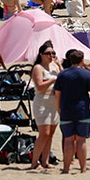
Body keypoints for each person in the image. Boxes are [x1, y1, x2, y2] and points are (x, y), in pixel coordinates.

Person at [54, 48, 90, 174]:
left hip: (67, 110)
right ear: (82, 60)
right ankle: (83, 168)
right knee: (81, 140)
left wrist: (59, 108)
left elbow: (57, 94)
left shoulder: (63, 74)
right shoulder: (86, 74)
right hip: (82, 111)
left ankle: (66, 168)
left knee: (68, 139)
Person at [28, 41, 60, 171]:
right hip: (42, 101)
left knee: (51, 133)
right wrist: (53, 79)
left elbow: (62, 78)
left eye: (53, 53)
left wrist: (59, 65)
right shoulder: (38, 68)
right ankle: (35, 161)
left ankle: (45, 161)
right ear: (41, 54)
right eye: (48, 53)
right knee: (44, 133)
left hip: (54, 101)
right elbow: (39, 86)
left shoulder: (55, 67)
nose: (51, 55)